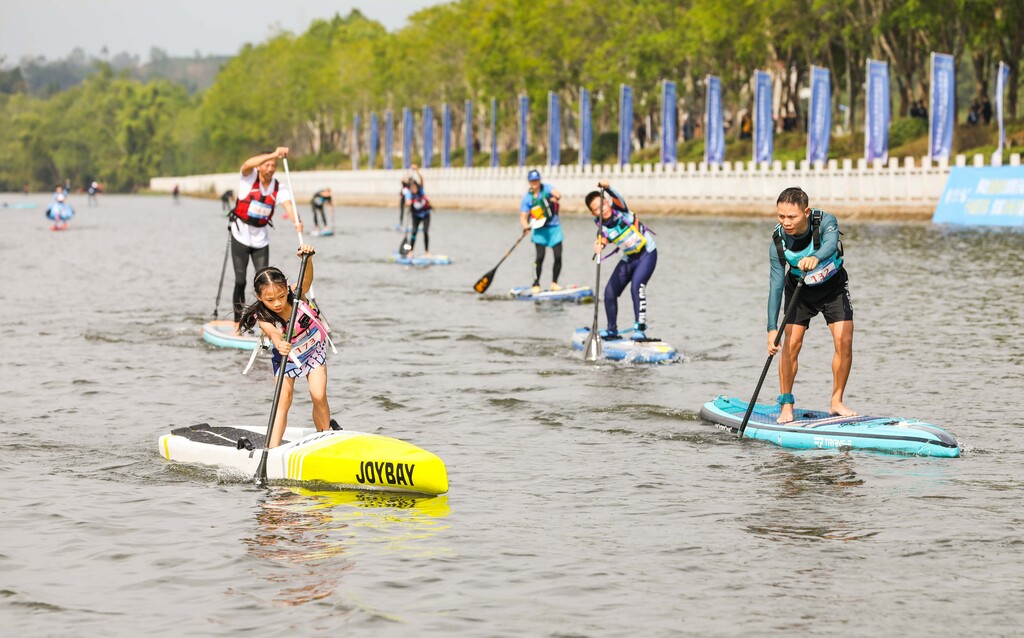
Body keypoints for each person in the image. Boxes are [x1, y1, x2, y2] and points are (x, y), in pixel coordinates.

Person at [767, 186, 855, 424]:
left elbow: (831, 243)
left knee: (844, 341)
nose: (786, 222)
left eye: (792, 217)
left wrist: (816, 257)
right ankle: (786, 404)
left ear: (806, 212)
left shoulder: (825, 221)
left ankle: (837, 401)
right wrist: (771, 328)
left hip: (832, 286)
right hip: (800, 291)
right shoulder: (778, 242)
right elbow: (775, 285)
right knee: (791, 345)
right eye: (781, 216)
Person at [237, 244, 335, 448]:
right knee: (283, 400)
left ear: (286, 288)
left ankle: (325, 437)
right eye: (270, 300)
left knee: (318, 395)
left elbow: (307, 281)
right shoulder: (263, 315)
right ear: (259, 297)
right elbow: (273, 333)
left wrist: (307, 260)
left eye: (281, 297)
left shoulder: (297, 295)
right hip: (287, 356)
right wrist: (280, 343)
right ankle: (271, 449)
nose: (278, 303)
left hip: (313, 349)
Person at [227, 147, 302, 324]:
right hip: (241, 235)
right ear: (260, 166)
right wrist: (274, 154)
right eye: (266, 164)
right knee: (240, 281)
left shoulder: (278, 187)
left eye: (273, 165)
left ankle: (267, 322)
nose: (270, 168)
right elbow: (247, 164)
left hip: (261, 239)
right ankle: (238, 323)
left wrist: (296, 221)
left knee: (266, 283)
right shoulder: (248, 178)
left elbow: (288, 206)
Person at [585, 179, 658, 340]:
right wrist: (599, 245)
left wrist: (608, 188)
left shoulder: (620, 209)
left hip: (647, 254)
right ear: (593, 213)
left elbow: (618, 197)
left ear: (608, 202)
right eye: (596, 209)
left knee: (636, 287)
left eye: (603, 204)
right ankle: (612, 330)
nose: (602, 210)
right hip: (629, 258)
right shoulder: (601, 225)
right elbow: (604, 239)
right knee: (609, 292)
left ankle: (639, 330)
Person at [519, 169, 563, 292]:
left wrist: (555, 197)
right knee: (540, 257)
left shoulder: (547, 188)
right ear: (529, 182)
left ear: (539, 180)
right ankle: (536, 283)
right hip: (539, 231)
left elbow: (557, 194)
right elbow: (523, 217)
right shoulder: (527, 198)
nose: (535, 182)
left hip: (554, 228)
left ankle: (554, 283)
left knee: (558, 256)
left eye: (536, 180)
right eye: (532, 180)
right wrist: (525, 226)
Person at [405, 178, 432, 257]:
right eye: (412, 188)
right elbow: (407, 203)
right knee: (414, 232)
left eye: (415, 187)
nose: (414, 189)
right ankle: (410, 251)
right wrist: (408, 203)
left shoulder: (421, 191)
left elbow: (421, 179)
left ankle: (426, 251)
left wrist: (417, 171)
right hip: (416, 216)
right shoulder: (409, 194)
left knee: (425, 232)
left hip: (426, 215)